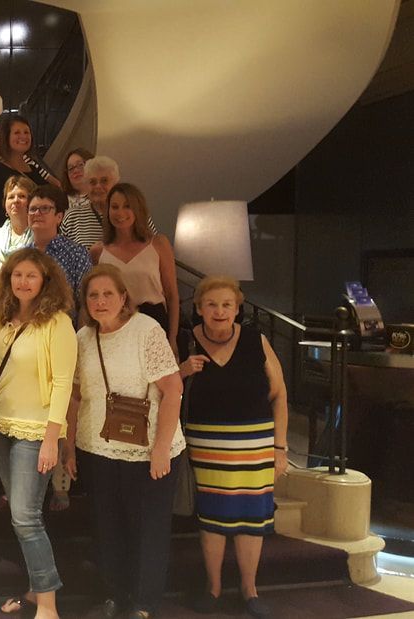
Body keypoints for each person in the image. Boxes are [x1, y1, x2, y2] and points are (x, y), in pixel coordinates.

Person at [63, 264, 186, 619]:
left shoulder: (146, 330)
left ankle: (144, 604)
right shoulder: (83, 338)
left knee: (147, 530)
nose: (101, 301)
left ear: (123, 298)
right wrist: (69, 446)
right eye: (93, 295)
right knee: (107, 527)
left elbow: (173, 390)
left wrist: (161, 449)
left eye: (108, 294)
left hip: (148, 451)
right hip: (96, 448)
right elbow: (75, 396)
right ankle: (115, 594)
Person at [178, 277, 289, 619]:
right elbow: (164, 388)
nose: (219, 311)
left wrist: (281, 447)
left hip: (255, 444)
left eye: (227, 304)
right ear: (199, 309)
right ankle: (213, 588)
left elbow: (279, 393)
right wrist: (182, 371)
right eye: (211, 304)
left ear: (238, 309)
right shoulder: (186, 342)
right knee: (211, 518)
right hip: (207, 446)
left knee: (252, 518)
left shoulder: (257, 340)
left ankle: (249, 589)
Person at [0, 248, 77, 619]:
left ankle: (49, 604)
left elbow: (62, 383)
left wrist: (52, 439)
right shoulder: (3, 318)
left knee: (26, 518)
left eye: (31, 276)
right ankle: (34, 589)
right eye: (17, 275)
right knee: (22, 516)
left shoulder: (58, 322)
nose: (23, 282)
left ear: (45, 282)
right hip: (1, 428)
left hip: (36, 431)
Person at [91, 183, 180, 354]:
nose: (120, 213)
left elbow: (172, 296)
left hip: (155, 322)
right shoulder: (97, 252)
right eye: (115, 207)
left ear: (138, 210)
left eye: (127, 206)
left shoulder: (159, 244)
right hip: (115, 325)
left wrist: (173, 338)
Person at [0, 114, 58, 230]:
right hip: (4, 240)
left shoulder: (34, 170)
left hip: (38, 238)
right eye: (17, 133)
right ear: (5, 137)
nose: (23, 136)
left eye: (26, 132)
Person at [60, 156, 157, 249]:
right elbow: (60, 258)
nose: (98, 186)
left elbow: (154, 248)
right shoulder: (72, 218)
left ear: (116, 184)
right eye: (92, 182)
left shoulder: (136, 213)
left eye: (104, 181)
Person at [27, 184, 92, 312]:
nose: (37, 213)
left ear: (59, 217)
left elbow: (85, 303)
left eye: (45, 208)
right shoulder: (21, 256)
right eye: (33, 209)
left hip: (65, 328)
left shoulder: (76, 254)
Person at [0, 176, 36, 263]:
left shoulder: (40, 236)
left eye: (21, 196)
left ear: (31, 202)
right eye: (11, 197)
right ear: (4, 204)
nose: (16, 200)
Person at [61, 147, 94, 213]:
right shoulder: (61, 201)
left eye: (80, 165)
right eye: (71, 168)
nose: (75, 170)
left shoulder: (103, 196)